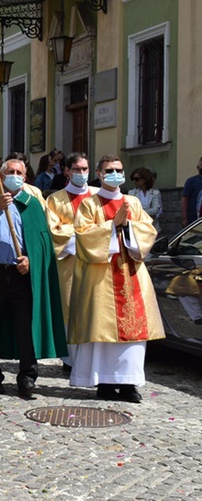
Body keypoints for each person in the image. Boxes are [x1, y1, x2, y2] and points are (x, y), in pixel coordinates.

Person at [69, 154, 165, 403]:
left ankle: (129, 383)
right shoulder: (90, 204)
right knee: (102, 329)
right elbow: (83, 236)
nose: (115, 174)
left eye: (119, 170)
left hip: (130, 271)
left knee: (133, 333)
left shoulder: (132, 201)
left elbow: (148, 230)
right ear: (99, 175)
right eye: (109, 170)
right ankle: (104, 382)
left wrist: (127, 227)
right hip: (101, 276)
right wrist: (113, 226)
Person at [0, 154, 67, 399]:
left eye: (19, 173)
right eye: (10, 173)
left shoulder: (32, 203)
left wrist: (30, 261)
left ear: (25, 178)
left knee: (25, 327)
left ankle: (27, 376)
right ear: (0, 174)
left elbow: (41, 242)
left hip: (19, 276)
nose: (14, 177)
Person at [45, 152, 99, 370]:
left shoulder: (98, 196)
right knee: (69, 308)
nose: (81, 173)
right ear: (67, 171)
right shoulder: (55, 199)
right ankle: (70, 359)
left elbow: (104, 226)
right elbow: (53, 230)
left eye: (85, 169)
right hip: (68, 261)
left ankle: (92, 359)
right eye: (77, 169)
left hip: (94, 261)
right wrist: (85, 235)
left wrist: (80, 233)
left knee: (93, 307)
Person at [128, 167, 163, 232]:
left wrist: (140, 212)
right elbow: (132, 210)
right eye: (133, 179)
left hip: (152, 228)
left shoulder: (155, 193)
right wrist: (149, 215)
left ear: (145, 179)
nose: (134, 181)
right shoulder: (131, 193)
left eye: (137, 179)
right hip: (137, 228)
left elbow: (155, 210)